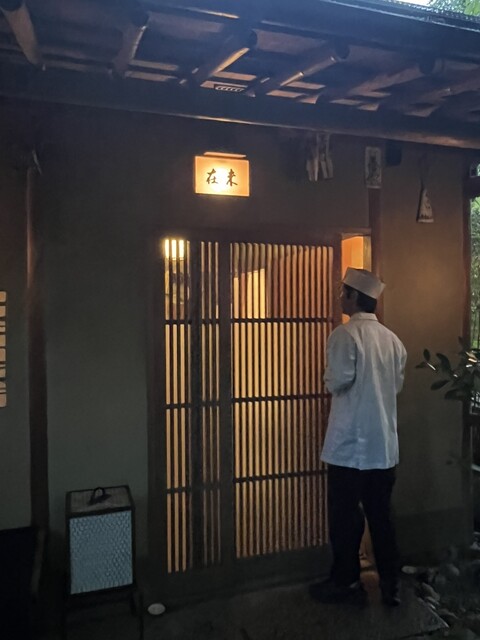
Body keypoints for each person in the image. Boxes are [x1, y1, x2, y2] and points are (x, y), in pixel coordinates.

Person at [310, 268, 407, 607]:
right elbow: (395, 386)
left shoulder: (345, 335)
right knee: (382, 516)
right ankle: (391, 584)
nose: (340, 298)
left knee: (345, 518)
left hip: (349, 446)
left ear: (353, 297)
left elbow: (338, 380)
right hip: (382, 447)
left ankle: (346, 580)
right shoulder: (392, 340)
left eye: (343, 292)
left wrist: (325, 376)